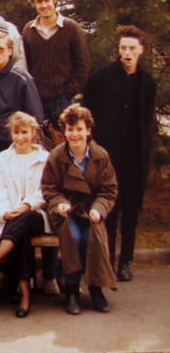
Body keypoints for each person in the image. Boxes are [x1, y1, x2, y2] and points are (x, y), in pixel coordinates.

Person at [82, 25, 156, 282]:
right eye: (123, 48)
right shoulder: (101, 78)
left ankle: (126, 261)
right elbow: (88, 115)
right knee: (109, 209)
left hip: (136, 155)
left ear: (141, 50)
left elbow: (147, 121)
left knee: (131, 210)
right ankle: (108, 260)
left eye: (132, 48)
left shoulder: (147, 82)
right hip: (108, 155)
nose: (127, 53)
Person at [42, 104, 118, 314]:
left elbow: (109, 190)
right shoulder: (56, 156)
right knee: (74, 237)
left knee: (93, 236)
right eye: (70, 129)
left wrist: (99, 209)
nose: (74, 134)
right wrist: (59, 203)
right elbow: (48, 188)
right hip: (66, 211)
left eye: (79, 129)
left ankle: (96, 289)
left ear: (88, 130)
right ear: (64, 131)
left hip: (91, 209)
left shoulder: (100, 156)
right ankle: (72, 290)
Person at [0, 112, 51, 318]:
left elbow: (46, 190)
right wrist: (5, 211)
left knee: (26, 217)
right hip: (10, 218)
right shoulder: (2, 159)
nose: (20, 137)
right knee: (20, 238)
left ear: (33, 133)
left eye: (24, 132)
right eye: (16, 132)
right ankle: (25, 296)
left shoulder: (44, 158)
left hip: (36, 215)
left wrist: (26, 205)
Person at [22, 0, 90, 120]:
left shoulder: (71, 28)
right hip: (37, 98)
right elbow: (26, 65)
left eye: (47, 0)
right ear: (33, 3)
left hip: (62, 99)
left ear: (54, 0)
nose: (44, 5)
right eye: (39, 1)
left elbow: (83, 64)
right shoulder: (29, 30)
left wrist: (69, 92)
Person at [0, 32, 43, 155]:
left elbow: (35, 117)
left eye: (0, 49)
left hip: (16, 144)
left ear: (10, 51)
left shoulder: (21, 79)